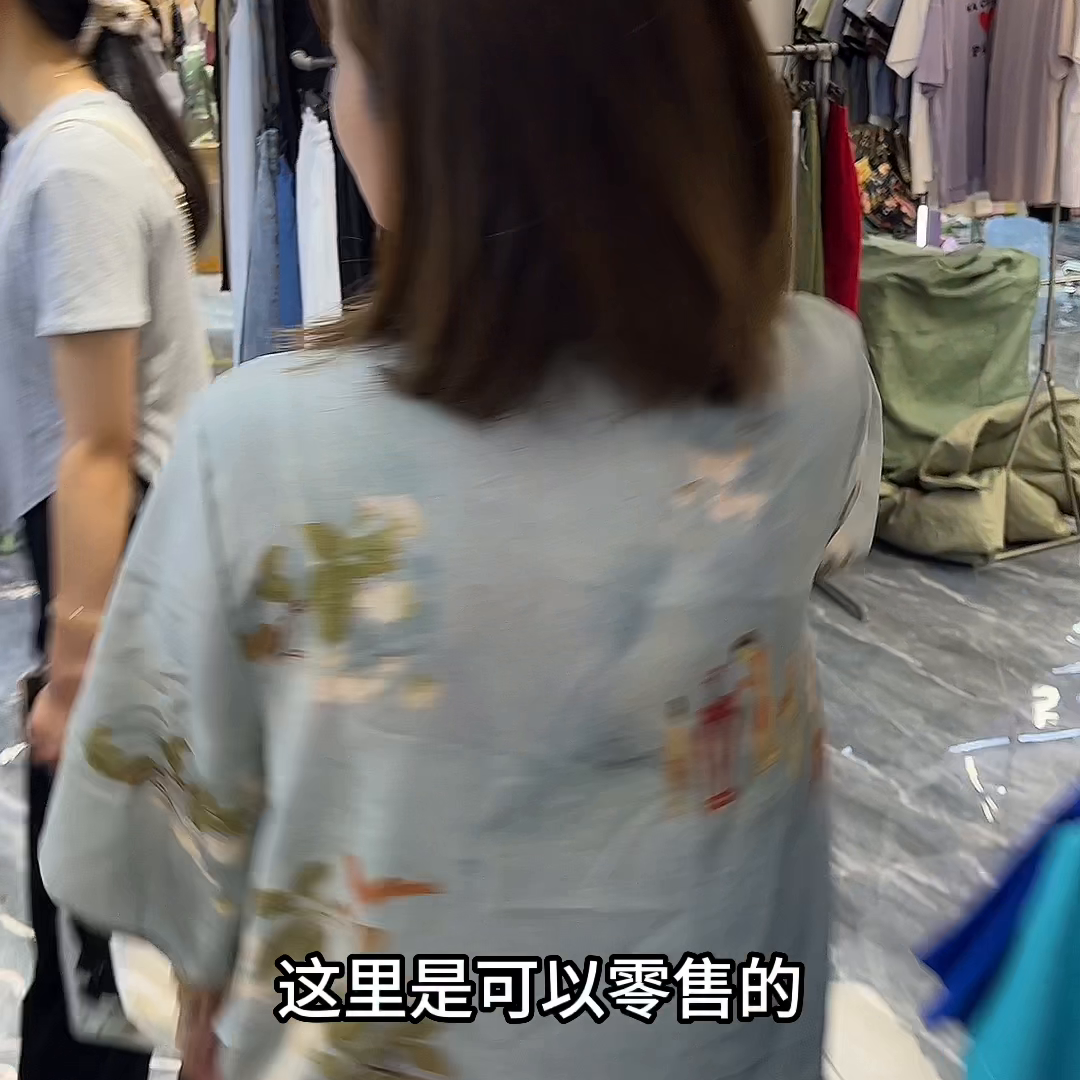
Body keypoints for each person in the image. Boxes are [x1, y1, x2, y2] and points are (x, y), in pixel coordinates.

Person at [41, 0, 881, 1077]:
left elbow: (161, 857)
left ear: (436, 113)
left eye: (343, 58)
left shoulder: (263, 449)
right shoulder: (818, 381)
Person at [0, 0, 211, 1076]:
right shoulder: (60, 144)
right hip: (108, 558)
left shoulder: (73, 159)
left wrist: (76, 671)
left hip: (114, 559)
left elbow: (101, 443)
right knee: (85, 942)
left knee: (92, 957)